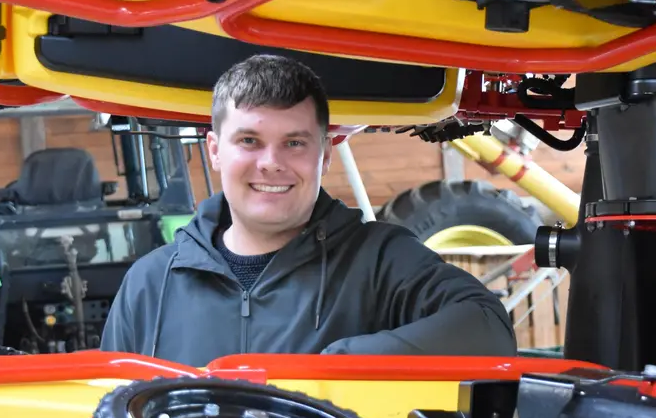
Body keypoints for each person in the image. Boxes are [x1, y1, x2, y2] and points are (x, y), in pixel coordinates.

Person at [100, 54, 518, 365]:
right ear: (214, 151)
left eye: (294, 143)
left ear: (325, 155)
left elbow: (488, 329)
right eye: (249, 141)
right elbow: (104, 417)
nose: (271, 162)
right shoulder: (151, 284)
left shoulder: (377, 261)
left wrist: (340, 368)